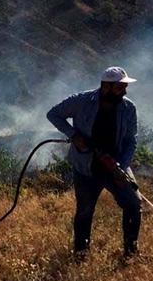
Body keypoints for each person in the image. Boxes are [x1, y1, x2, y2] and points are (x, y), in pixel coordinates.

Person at [47, 67, 141, 259]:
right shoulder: (82, 101)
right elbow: (54, 114)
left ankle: (130, 254)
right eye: (119, 87)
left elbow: (131, 140)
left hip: (115, 166)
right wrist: (74, 135)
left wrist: (121, 167)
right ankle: (81, 254)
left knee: (133, 204)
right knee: (84, 211)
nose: (124, 91)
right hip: (85, 167)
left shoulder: (128, 108)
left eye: (124, 87)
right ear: (106, 86)